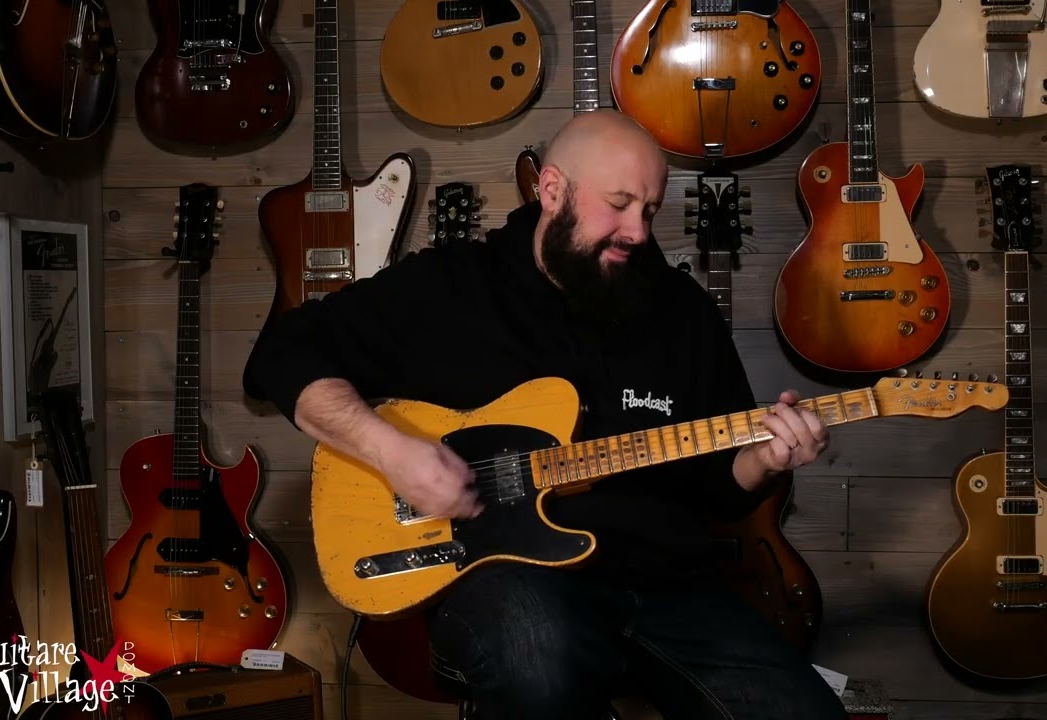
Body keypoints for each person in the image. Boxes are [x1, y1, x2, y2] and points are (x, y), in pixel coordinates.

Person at [242, 110, 848, 720]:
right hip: (508, 581)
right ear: (553, 190)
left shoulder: (682, 311)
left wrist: (766, 459)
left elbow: (720, 488)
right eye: (619, 204)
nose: (637, 232)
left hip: (669, 587)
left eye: (650, 210)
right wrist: (390, 451)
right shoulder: (450, 286)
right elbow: (283, 353)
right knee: (540, 656)